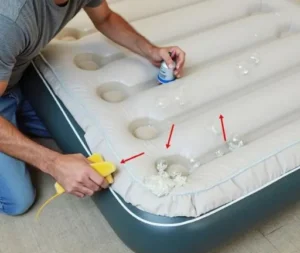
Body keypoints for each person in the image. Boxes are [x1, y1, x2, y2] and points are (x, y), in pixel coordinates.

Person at [0, 0, 186, 216]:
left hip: (13, 81)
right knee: (19, 200)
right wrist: (53, 163)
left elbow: (105, 18)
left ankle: (14, 124)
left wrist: (151, 51)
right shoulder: (9, 21)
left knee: (81, 131)